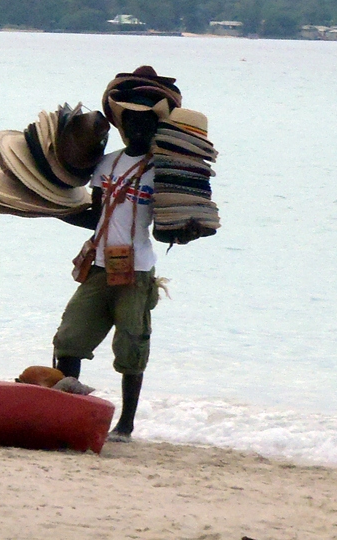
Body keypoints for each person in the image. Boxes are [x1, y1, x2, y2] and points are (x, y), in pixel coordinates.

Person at [54, 93, 202, 442]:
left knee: (131, 348)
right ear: (121, 126)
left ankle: (126, 425)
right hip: (100, 267)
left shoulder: (163, 170)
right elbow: (96, 216)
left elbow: (170, 222)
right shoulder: (105, 165)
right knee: (69, 339)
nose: (136, 127)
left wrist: (188, 234)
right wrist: (53, 208)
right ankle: (66, 410)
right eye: (130, 121)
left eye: (144, 121)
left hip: (136, 271)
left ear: (155, 127)